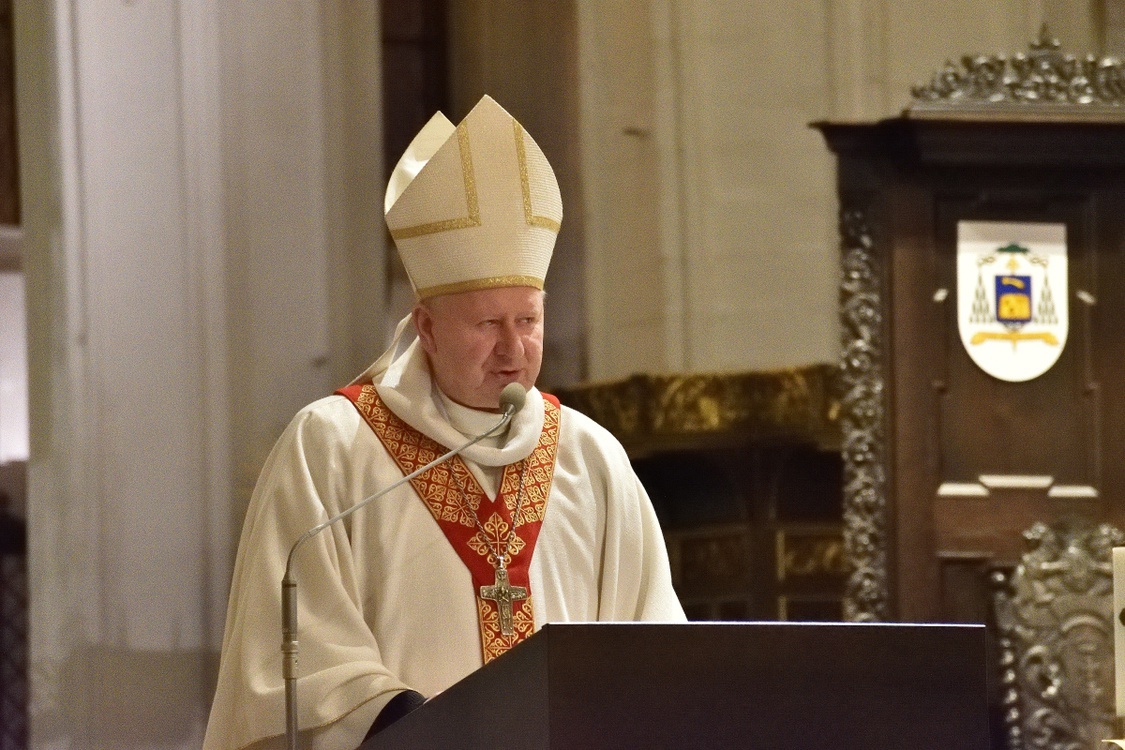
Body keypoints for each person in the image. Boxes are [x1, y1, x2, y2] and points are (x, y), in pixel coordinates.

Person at [203, 95, 685, 750]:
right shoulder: (333, 446)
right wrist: (417, 725)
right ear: (426, 328)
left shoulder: (589, 455)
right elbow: (295, 661)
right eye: (487, 324)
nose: (513, 350)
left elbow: (652, 646)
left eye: (528, 321)